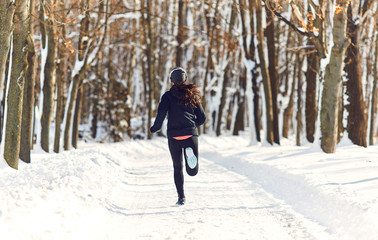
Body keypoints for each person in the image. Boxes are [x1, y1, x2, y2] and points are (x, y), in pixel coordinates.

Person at [150, 67, 206, 205]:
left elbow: (161, 115)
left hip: (174, 136)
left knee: (177, 167)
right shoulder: (192, 94)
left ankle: (181, 197)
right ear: (185, 79)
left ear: (171, 81)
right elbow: (202, 118)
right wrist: (192, 126)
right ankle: (190, 157)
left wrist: (155, 128)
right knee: (192, 171)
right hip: (190, 134)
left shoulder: (167, 96)